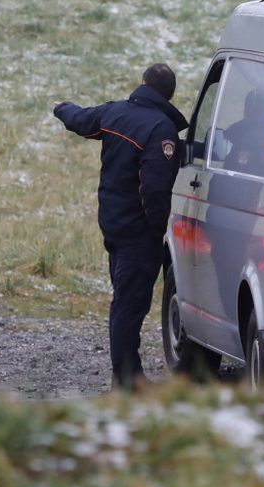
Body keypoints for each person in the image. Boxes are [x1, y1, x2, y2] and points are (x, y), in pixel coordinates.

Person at [53, 63, 188, 390]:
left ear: (143, 83)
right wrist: (156, 230)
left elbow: (81, 119)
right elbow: (154, 190)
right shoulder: (161, 130)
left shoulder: (115, 113)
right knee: (129, 306)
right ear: (169, 94)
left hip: (113, 226)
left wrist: (61, 108)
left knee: (125, 300)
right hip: (139, 233)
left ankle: (129, 374)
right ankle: (126, 379)